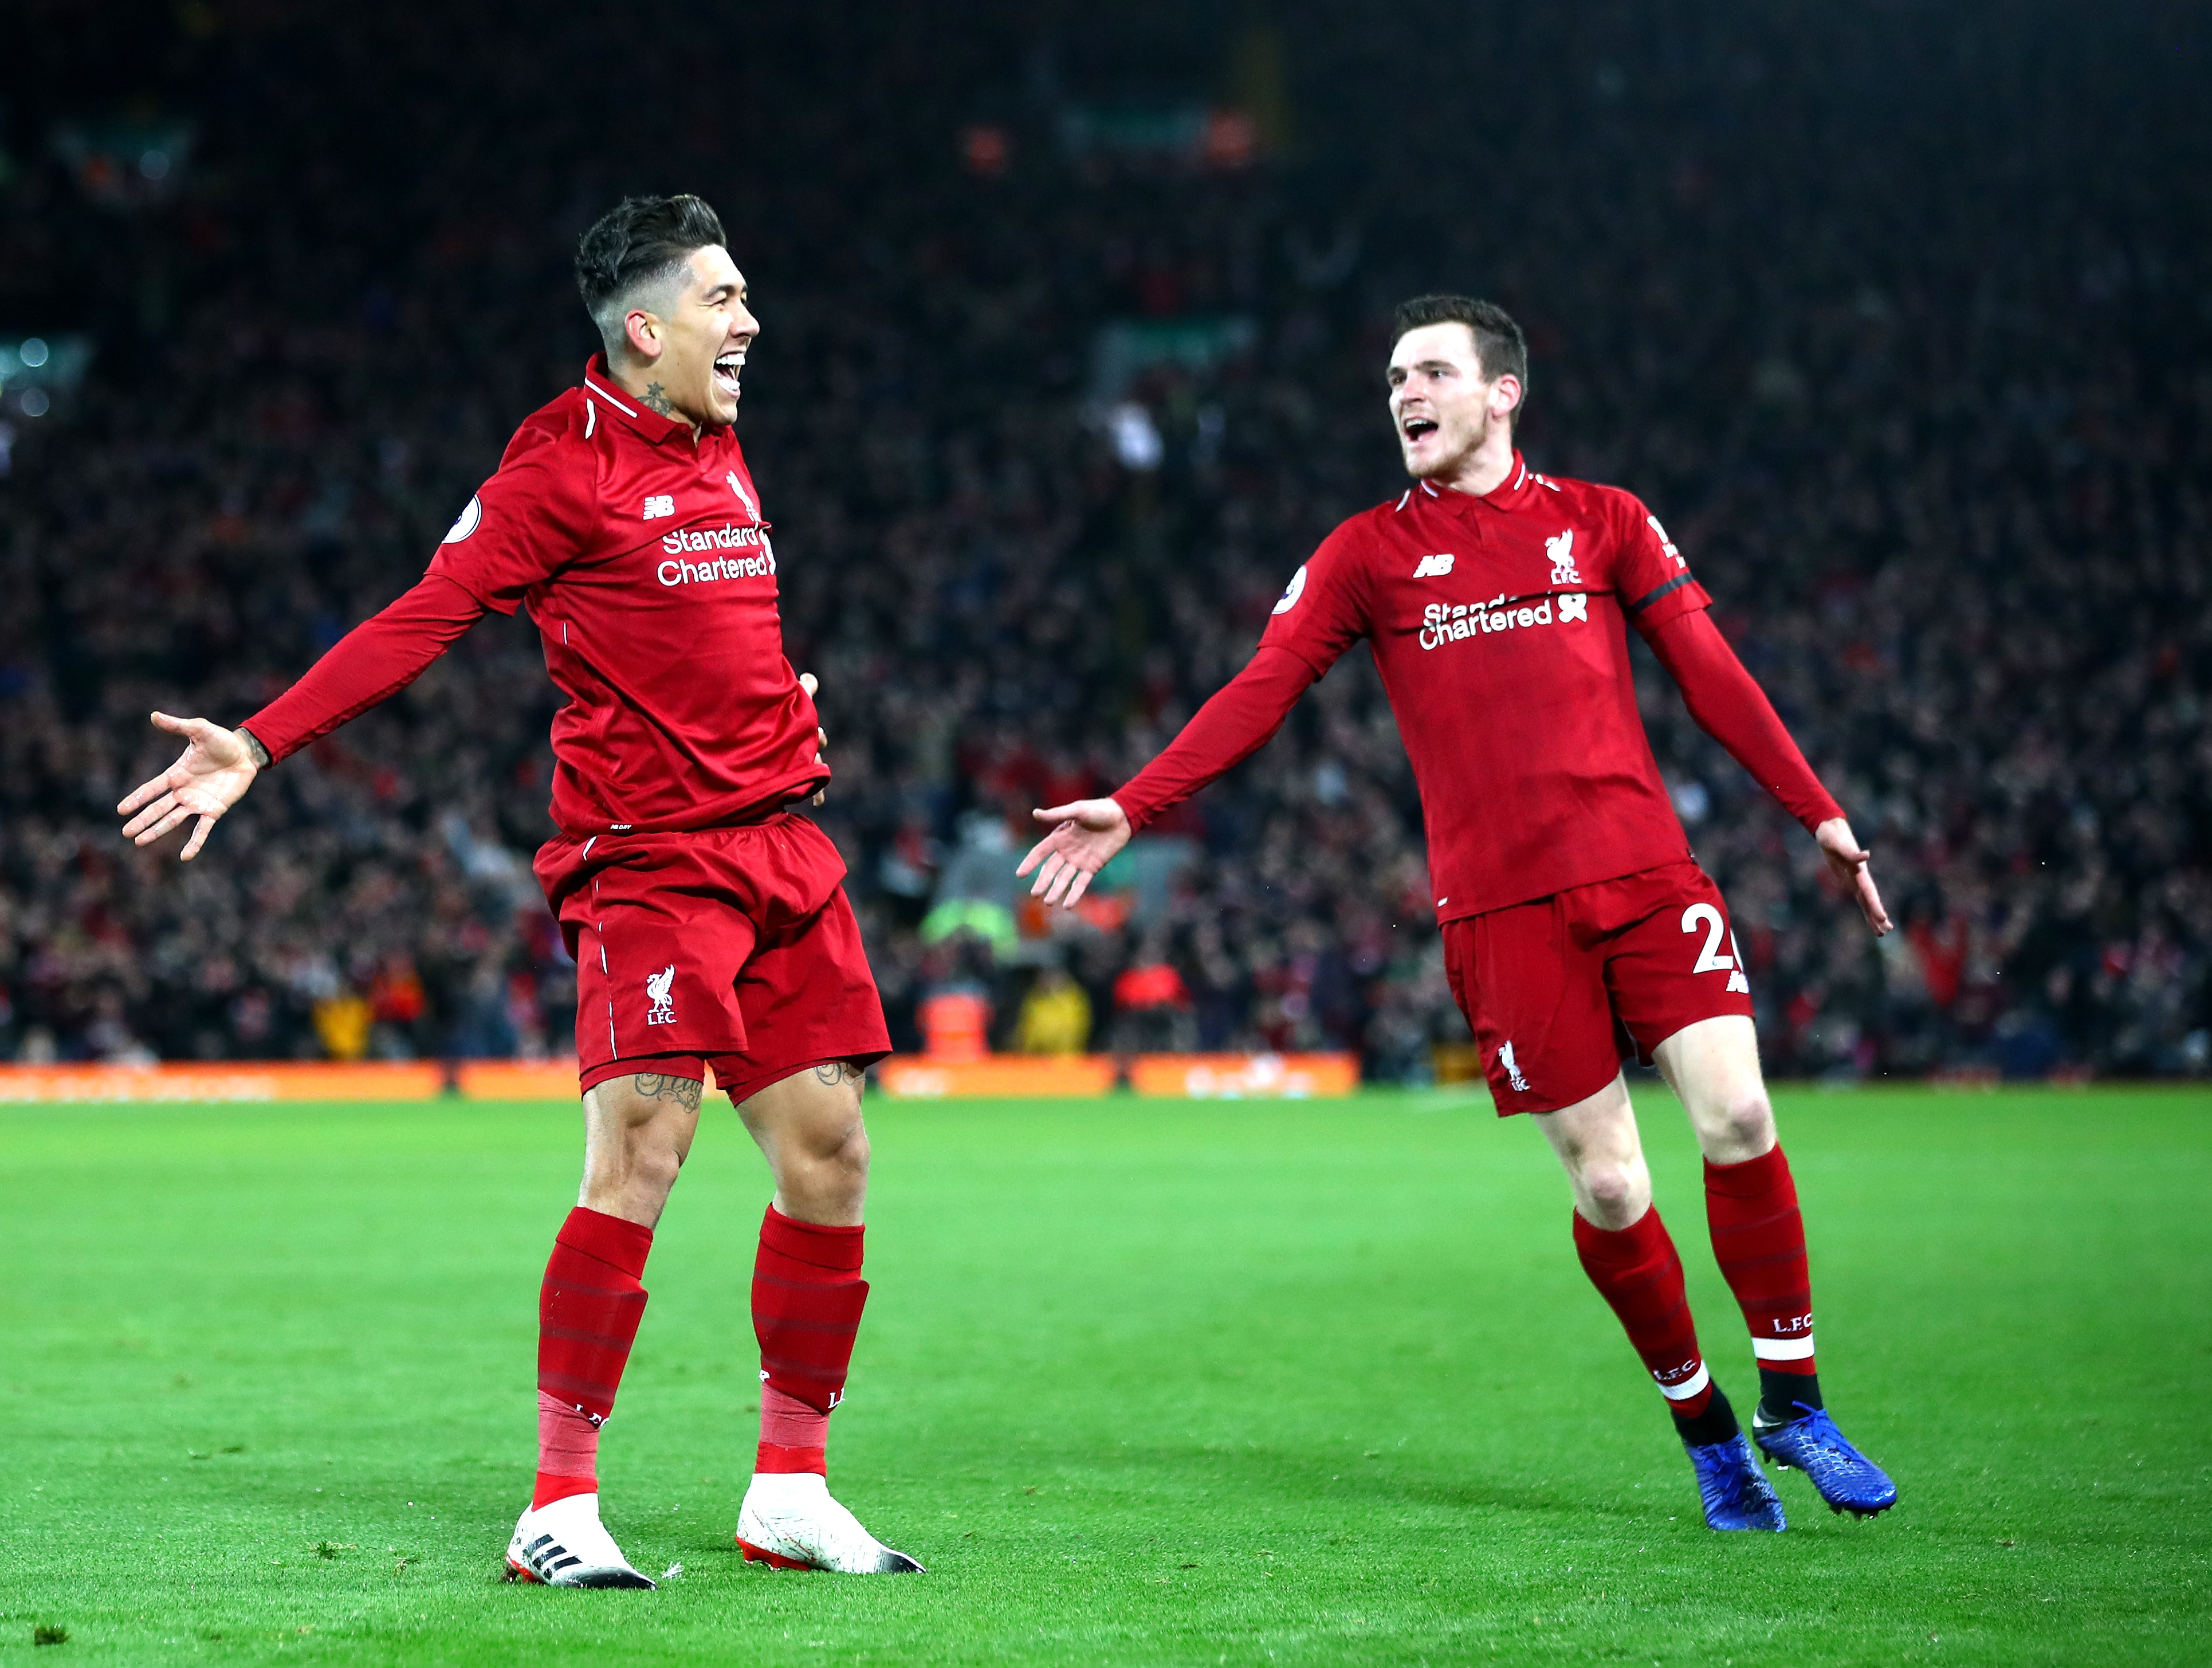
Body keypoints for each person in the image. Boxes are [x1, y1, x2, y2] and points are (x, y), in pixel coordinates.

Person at [117, 194, 919, 1583]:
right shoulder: (556, 468)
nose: (751, 322)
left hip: (783, 843)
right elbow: (426, 611)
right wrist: (258, 740)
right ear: (646, 328)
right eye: (724, 299)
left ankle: (789, 1485)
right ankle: (557, 1505)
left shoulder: (721, 443)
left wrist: (784, 710)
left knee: (834, 1157)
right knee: (646, 1149)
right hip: (653, 862)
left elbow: (711, 633)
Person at [1017, 296, 1898, 1532]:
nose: (1404, 396)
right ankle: (1706, 1430)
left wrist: (1817, 810)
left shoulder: (1604, 520)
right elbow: (1263, 687)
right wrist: (1138, 804)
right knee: (1608, 1187)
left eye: (1430, 372)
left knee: (1741, 1110)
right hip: (1500, 908)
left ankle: (1795, 1400)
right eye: (1391, 380)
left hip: (1646, 874)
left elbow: (1712, 673)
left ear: (1503, 392)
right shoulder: (1366, 554)